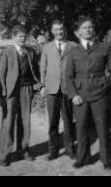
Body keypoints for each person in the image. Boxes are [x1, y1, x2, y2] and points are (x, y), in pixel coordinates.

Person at [66, 16, 111, 170]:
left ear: (94, 29)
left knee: (102, 127)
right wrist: (73, 94)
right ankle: (83, 158)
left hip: (99, 93)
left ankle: (106, 159)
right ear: (78, 33)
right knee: (81, 127)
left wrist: (106, 85)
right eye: (84, 28)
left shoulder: (105, 47)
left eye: (90, 27)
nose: (88, 30)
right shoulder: (73, 51)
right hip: (80, 95)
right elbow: (68, 76)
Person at [0, 25, 40, 167]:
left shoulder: (30, 52)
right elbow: (1, 74)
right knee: (8, 122)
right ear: (13, 37)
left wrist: (36, 85)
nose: (22, 39)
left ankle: (24, 149)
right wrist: (3, 93)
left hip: (26, 89)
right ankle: (4, 154)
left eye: (24, 36)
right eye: (20, 36)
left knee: (25, 121)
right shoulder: (7, 52)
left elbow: (35, 70)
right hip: (11, 91)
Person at [40, 20, 77, 161]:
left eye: (61, 29)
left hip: (68, 89)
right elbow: (42, 67)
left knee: (68, 120)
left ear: (64, 30)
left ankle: (70, 149)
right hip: (52, 89)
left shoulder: (73, 46)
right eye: (56, 30)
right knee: (53, 121)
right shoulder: (47, 47)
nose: (59, 32)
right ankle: (53, 151)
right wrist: (43, 86)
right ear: (52, 31)